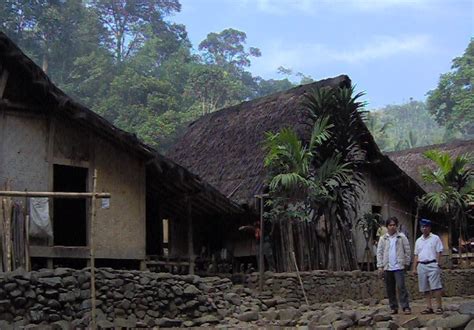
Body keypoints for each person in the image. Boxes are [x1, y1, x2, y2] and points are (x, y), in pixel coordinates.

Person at [376, 216, 411, 315]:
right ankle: (393, 307)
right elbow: (380, 252)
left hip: (399, 266)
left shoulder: (401, 237)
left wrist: (407, 263)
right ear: (387, 226)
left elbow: (407, 250)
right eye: (390, 225)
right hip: (387, 267)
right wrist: (380, 266)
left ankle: (405, 307)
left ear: (397, 226)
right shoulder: (383, 239)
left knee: (401, 287)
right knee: (390, 288)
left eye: (394, 225)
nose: (392, 227)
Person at [413, 218, 444, 315]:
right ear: (420, 228)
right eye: (422, 227)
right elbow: (416, 255)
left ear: (430, 228)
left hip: (432, 263)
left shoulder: (435, 238)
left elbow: (439, 251)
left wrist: (438, 264)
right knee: (425, 288)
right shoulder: (418, 240)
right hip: (421, 265)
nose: (424, 228)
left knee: (436, 287)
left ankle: (439, 307)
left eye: (426, 226)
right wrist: (414, 268)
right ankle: (429, 307)